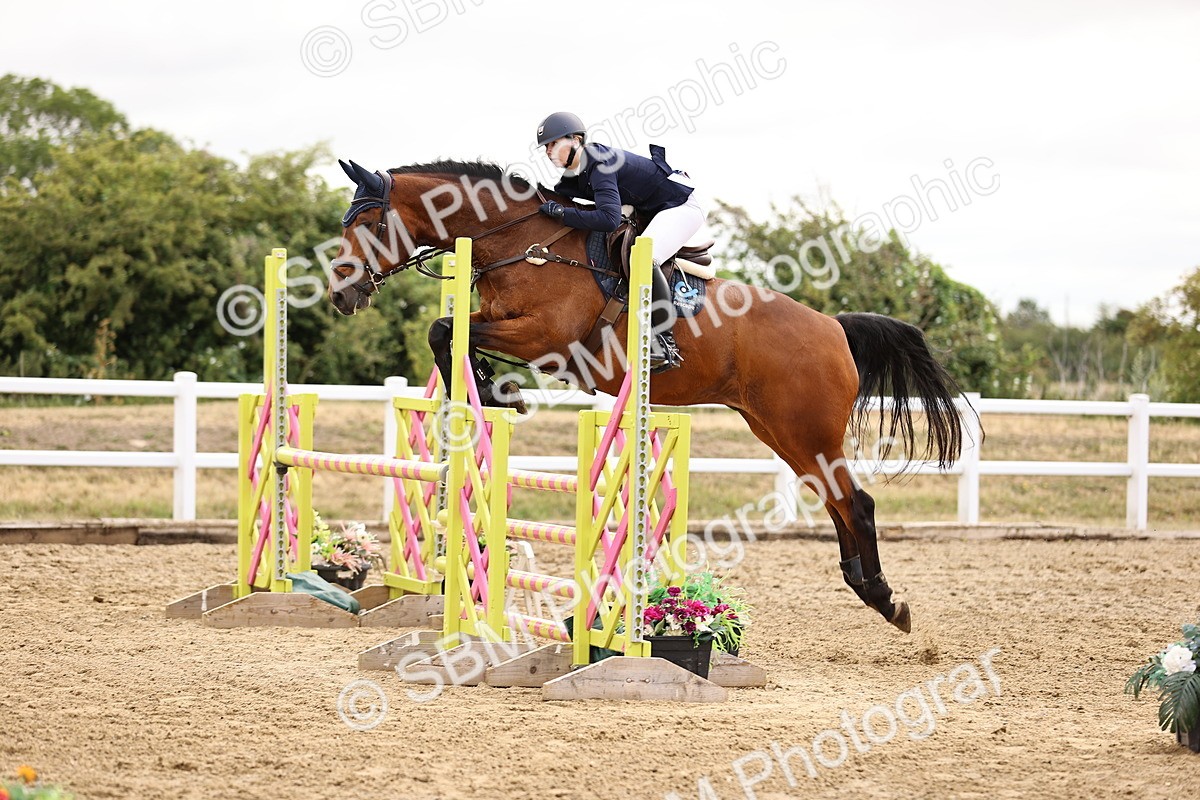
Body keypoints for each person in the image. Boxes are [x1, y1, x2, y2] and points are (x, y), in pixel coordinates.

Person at [535, 111, 706, 372]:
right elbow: (555, 200)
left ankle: (664, 342)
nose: (548, 151)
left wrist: (563, 214)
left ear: (576, 140)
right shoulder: (573, 176)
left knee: (643, 257)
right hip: (651, 209)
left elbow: (608, 219)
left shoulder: (599, 163)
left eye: (553, 143)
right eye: (546, 147)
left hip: (678, 205)